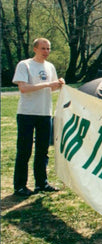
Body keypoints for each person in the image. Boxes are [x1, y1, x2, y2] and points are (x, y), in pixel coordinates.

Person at [13, 38, 65, 197]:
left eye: (48, 49)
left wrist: (59, 84)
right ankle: (20, 185)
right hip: (27, 113)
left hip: (45, 113)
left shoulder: (50, 67)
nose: (46, 52)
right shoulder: (25, 65)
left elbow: (53, 88)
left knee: (42, 151)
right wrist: (47, 85)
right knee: (24, 150)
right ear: (35, 49)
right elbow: (24, 88)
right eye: (43, 48)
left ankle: (41, 183)